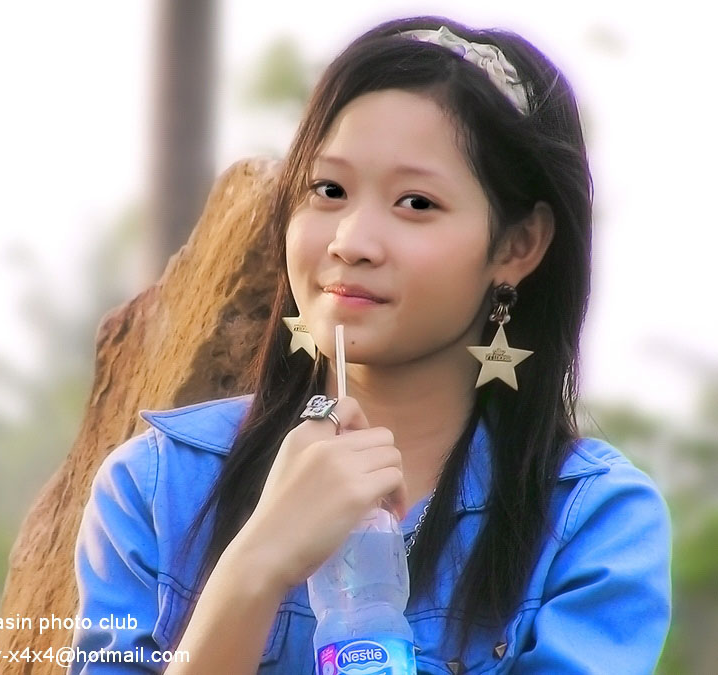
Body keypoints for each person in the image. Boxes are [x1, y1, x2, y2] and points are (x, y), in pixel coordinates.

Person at [68, 15, 671, 674]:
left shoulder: (593, 523)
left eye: (415, 203)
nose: (351, 241)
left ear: (518, 245)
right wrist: (256, 565)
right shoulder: (157, 487)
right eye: (328, 190)